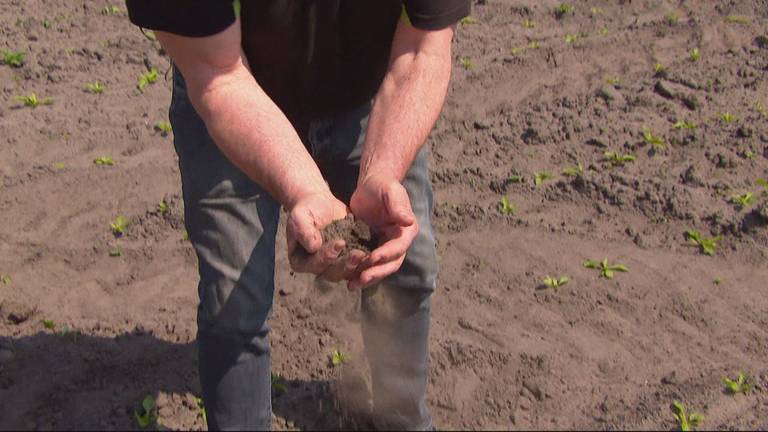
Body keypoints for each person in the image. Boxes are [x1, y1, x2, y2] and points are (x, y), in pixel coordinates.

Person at [125, 1, 469, 429]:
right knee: (234, 301)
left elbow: (424, 48)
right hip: (231, 75)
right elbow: (218, 75)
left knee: (406, 267)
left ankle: (401, 422)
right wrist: (305, 188)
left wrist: (382, 170)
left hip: (369, 84)